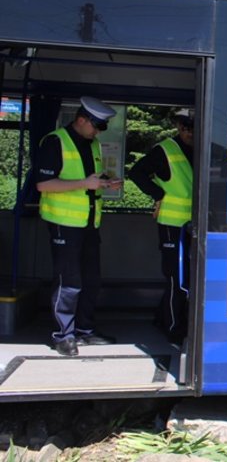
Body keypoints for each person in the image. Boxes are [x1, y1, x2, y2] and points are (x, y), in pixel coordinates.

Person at [36, 96, 123, 357]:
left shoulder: (91, 143)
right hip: (64, 223)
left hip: (88, 223)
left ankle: (85, 330)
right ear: (81, 119)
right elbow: (43, 185)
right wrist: (85, 184)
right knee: (69, 281)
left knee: (91, 280)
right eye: (96, 126)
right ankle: (63, 335)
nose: (98, 132)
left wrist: (105, 184)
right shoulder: (54, 141)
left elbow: (89, 180)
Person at [128, 108, 194, 344]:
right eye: (185, 127)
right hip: (173, 224)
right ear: (178, 126)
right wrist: (158, 194)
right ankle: (174, 329)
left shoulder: (204, 148)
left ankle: (163, 318)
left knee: (188, 279)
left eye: (193, 127)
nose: (189, 132)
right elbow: (136, 173)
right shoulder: (165, 150)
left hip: (194, 226)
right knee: (177, 279)